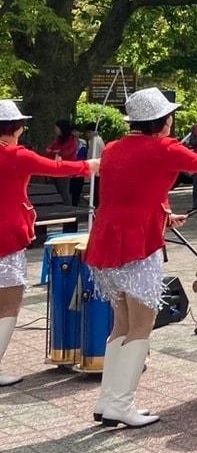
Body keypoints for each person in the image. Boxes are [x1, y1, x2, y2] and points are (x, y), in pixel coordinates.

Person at [84, 88, 197, 427]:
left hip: (105, 243)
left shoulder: (115, 147)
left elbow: (130, 190)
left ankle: (107, 400)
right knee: (141, 327)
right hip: (137, 246)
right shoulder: (164, 147)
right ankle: (121, 403)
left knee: (120, 324)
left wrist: (162, 212)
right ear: (162, 121)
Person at [0, 100, 100, 386]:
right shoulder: (16, 154)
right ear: (16, 127)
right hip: (7, 235)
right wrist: (90, 165)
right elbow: (56, 168)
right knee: (8, 304)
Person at [79, 120, 105, 206]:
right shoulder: (96, 140)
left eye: (87, 133)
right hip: (97, 171)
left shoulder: (95, 142)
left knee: (96, 192)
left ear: (90, 132)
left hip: (96, 172)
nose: (86, 135)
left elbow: (95, 157)